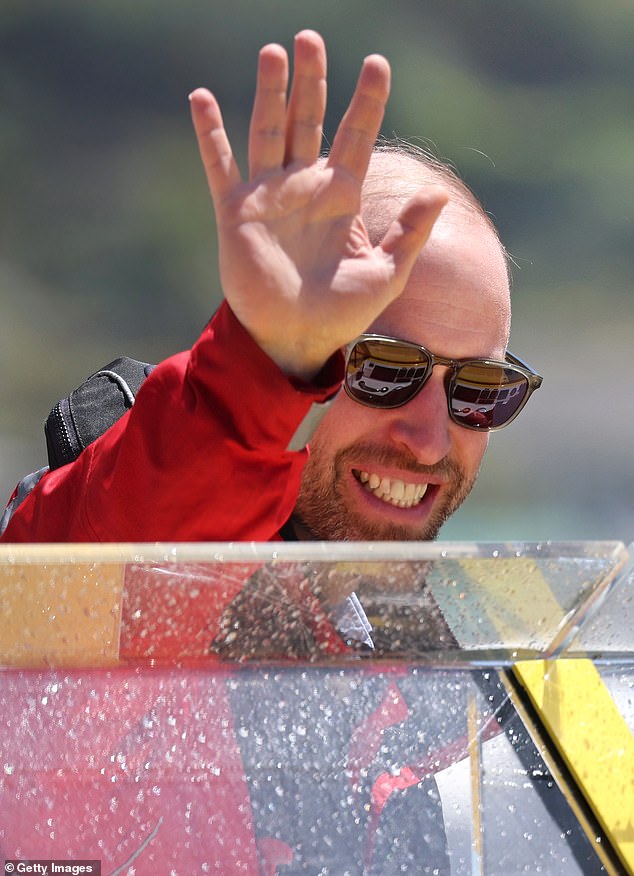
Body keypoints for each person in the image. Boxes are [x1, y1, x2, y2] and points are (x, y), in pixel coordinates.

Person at [0, 30, 545, 875]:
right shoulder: (96, 586)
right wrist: (260, 367)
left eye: (482, 390)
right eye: (384, 369)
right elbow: (136, 549)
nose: (433, 437)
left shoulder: (452, 695)